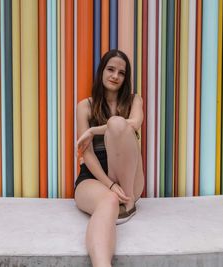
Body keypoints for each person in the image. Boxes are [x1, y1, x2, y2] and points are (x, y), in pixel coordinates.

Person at [75, 49, 145, 267]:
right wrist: (110, 185)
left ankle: (129, 201)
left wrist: (94, 131)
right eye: (110, 69)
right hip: (95, 179)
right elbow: (86, 154)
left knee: (117, 123)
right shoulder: (84, 106)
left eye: (121, 73)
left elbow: (131, 123)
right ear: (101, 72)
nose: (115, 76)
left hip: (130, 179)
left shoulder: (135, 100)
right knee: (109, 201)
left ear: (126, 78)